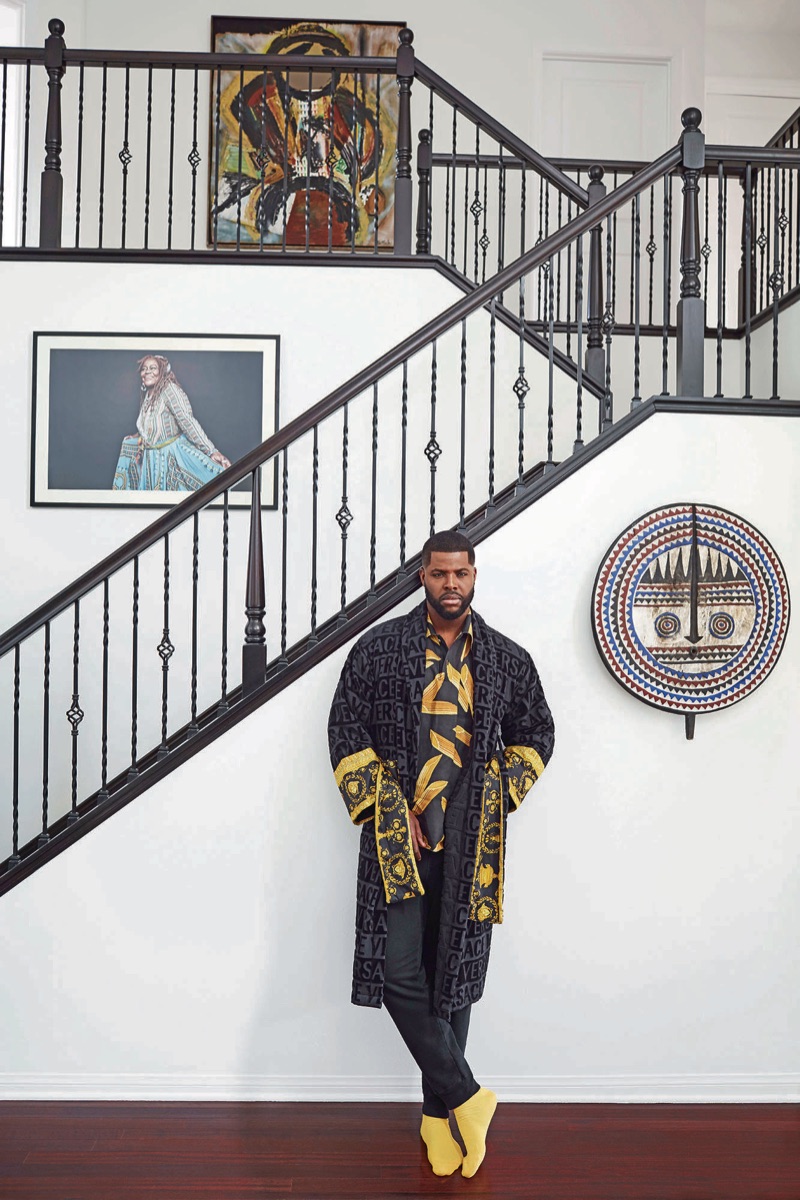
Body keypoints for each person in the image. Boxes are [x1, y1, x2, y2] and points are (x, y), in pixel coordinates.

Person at [328, 530, 555, 1178]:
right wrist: (387, 806)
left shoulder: (509, 660)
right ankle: (469, 1097)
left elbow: (538, 732)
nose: (449, 584)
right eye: (437, 574)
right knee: (401, 971)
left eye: (459, 573)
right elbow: (346, 729)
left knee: (454, 978)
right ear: (420, 577)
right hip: (399, 839)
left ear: (474, 575)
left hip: (471, 843)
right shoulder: (378, 652)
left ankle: (438, 1118)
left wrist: (492, 798)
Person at [113, 355, 231, 492]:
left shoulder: (170, 390)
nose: (147, 372)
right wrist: (137, 437)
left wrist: (211, 451)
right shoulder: (148, 395)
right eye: (144, 369)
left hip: (169, 458)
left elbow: (187, 421)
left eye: (153, 368)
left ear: (163, 370)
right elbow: (152, 425)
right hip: (151, 459)